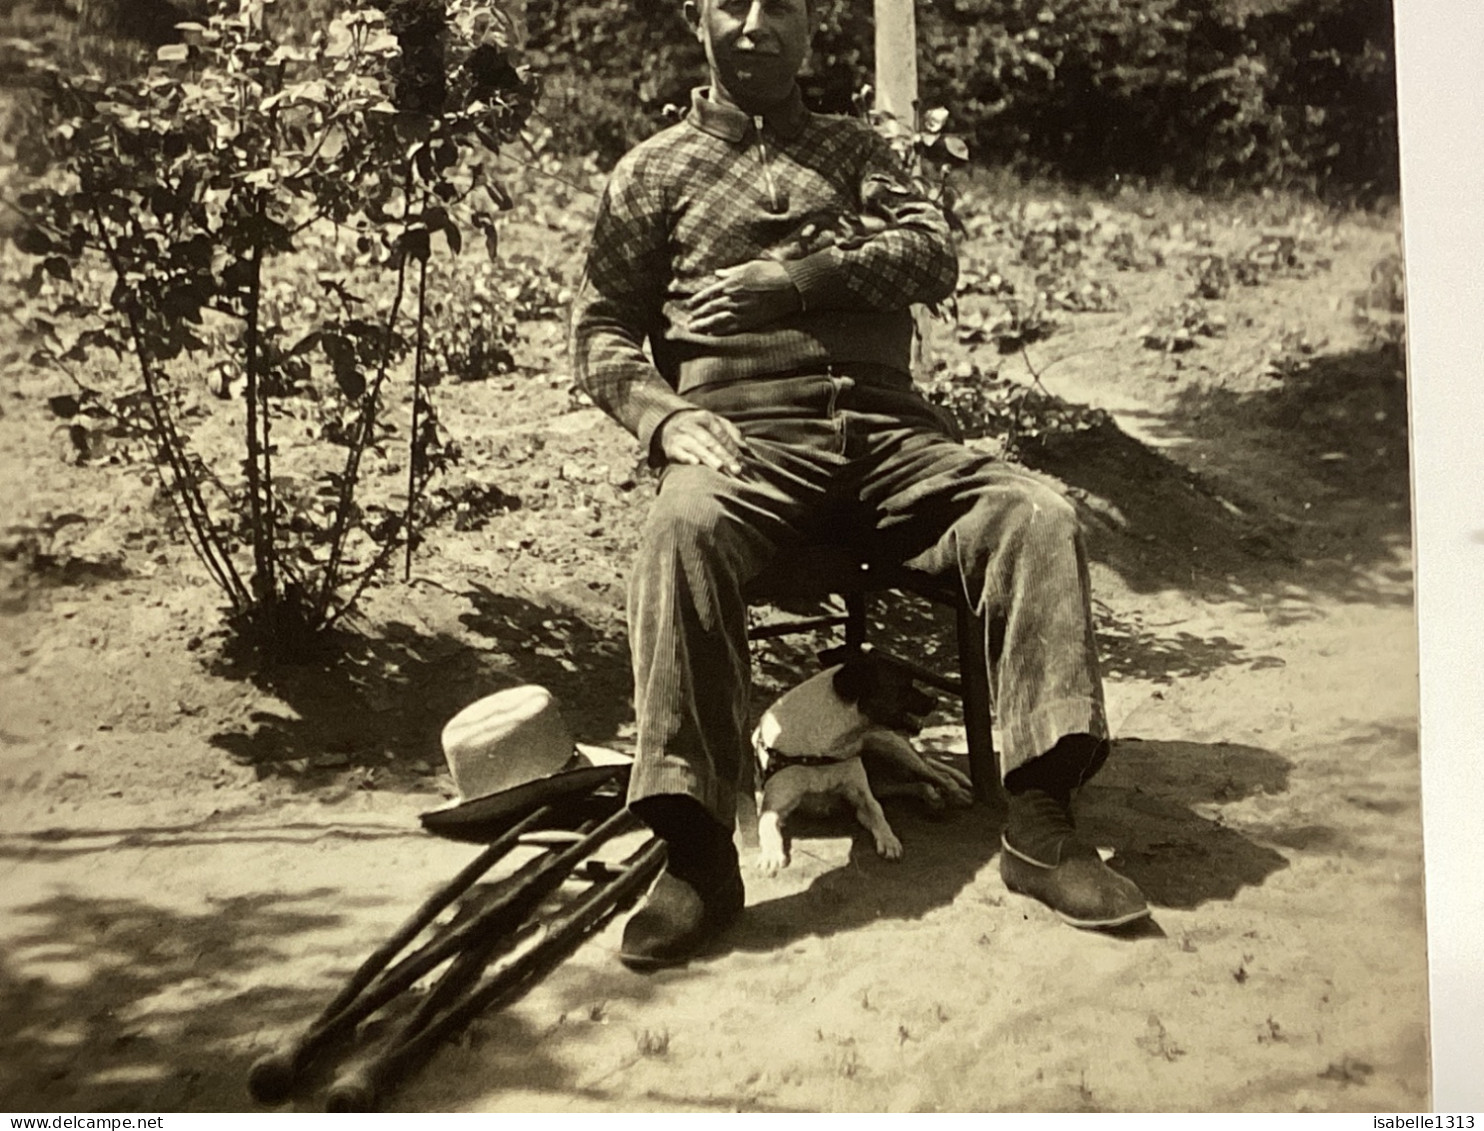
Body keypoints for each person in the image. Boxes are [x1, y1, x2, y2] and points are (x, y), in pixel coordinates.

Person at [569, 0, 1150, 969]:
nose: (755, 26)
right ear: (692, 20)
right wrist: (663, 418)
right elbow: (599, 331)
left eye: (782, 6)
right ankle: (701, 855)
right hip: (745, 440)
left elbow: (931, 254)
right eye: (731, 4)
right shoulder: (651, 172)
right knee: (681, 534)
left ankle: (1039, 826)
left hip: (889, 435)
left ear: (810, 29)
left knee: (1032, 514)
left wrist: (799, 279)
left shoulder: (858, 152)